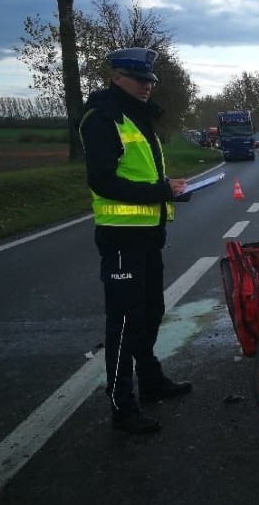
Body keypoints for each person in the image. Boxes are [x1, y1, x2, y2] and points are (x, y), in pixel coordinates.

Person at [80, 47, 192, 434]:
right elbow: (103, 181)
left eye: (150, 80)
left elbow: (142, 176)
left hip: (147, 235)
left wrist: (169, 190)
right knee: (125, 322)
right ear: (116, 77)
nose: (147, 86)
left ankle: (151, 381)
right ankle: (121, 406)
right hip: (121, 237)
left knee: (150, 312)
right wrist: (161, 192)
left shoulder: (136, 118)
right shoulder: (102, 119)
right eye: (139, 78)